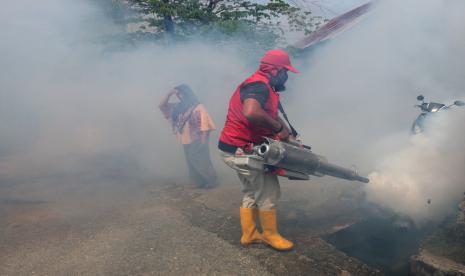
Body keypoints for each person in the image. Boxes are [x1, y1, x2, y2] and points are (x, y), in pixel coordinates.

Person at [218, 49, 299, 250]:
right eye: (285, 72)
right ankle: (270, 235)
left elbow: (269, 115)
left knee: (251, 190)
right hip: (242, 148)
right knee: (268, 192)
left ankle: (249, 234)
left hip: (231, 147)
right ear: (276, 70)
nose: (287, 76)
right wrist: (279, 129)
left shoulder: (264, 85)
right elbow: (252, 112)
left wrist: (287, 134)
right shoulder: (259, 85)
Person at [159, 84, 218, 189]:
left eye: (181, 93)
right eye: (178, 94)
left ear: (187, 93)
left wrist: (203, 143)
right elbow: (162, 106)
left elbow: (205, 125)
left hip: (198, 139)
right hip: (185, 140)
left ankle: (212, 182)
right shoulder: (178, 107)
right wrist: (169, 94)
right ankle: (199, 183)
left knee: (201, 162)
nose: (179, 96)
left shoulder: (198, 106)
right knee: (192, 163)